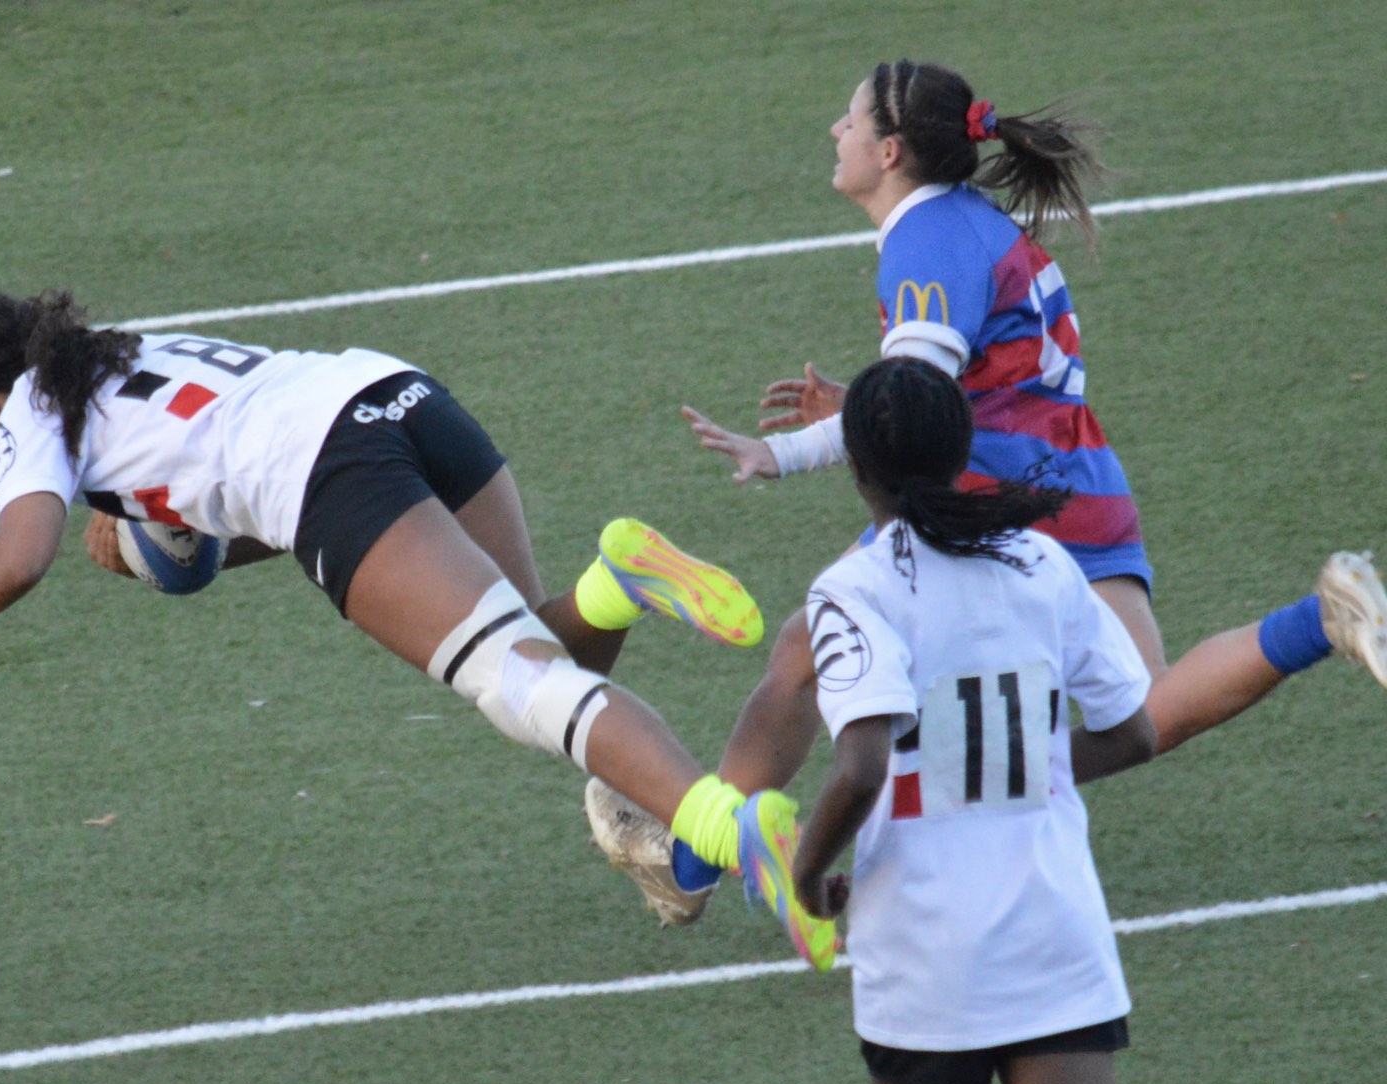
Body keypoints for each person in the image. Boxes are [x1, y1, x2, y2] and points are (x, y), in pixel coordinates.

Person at [590, 58, 1387, 929]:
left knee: (801, 657)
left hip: (988, 485)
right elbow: (956, 376)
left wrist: (782, 452)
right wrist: (864, 397)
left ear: (889, 150)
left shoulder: (924, 241)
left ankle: (691, 863)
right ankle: (1324, 618)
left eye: (849, 120)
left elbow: (920, 403)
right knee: (1146, 705)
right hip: (1077, 477)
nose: (835, 132)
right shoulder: (969, 223)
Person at [0, 289, 835, 967]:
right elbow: (244, 514)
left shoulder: (23, 413)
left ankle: (734, 828)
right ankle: (616, 583)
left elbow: (22, 548)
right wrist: (165, 550)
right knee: (540, 637)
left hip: (331, 467)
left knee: (519, 685)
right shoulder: (108, 358)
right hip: (392, 396)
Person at [787, 357, 1242, 1084]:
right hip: (1052, 926)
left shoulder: (854, 589)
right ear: (962, 448)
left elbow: (861, 765)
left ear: (855, 469)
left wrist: (806, 878)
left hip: (925, 949)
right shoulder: (1040, 560)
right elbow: (1134, 731)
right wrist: (1021, 767)